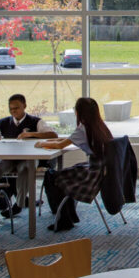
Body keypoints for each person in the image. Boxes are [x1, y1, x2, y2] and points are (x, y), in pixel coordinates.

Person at [36, 97, 113, 232]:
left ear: (78, 112)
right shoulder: (99, 125)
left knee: (52, 176)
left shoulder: (83, 129)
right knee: (59, 174)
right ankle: (66, 214)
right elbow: (68, 140)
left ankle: (64, 218)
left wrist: (41, 143)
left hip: (92, 173)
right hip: (101, 169)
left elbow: (60, 145)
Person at [0, 94, 57, 221]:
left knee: (25, 170)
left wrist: (31, 134)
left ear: (24, 106)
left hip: (28, 158)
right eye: (11, 109)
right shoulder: (3, 122)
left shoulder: (35, 121)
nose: (13, 111)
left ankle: (19, 204)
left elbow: (53, 134)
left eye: (16, 108)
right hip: (9, 158)